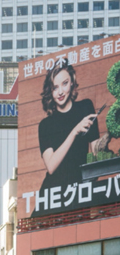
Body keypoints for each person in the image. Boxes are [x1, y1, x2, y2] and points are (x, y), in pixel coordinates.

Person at [35, 58, 103, 206]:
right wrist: (74, 132)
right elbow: (51, 167)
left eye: (64, 84)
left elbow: (96, 155)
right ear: (50, 91)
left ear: (72, 82)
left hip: (80, 191)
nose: (60, 92)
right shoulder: (46, 125)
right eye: (54, 87)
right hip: (52, 196)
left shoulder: (85, 107)